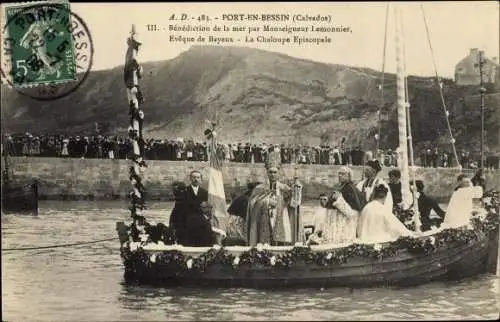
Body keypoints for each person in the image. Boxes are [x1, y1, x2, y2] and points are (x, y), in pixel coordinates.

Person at [246, 150, 302, 246]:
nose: (273, 174)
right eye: (270, 172)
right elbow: (252, 206)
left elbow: (293, 204)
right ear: (267, 172)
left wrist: (297, 190)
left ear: (279, 172)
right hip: (263, 225)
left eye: (275, 172)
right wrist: (266, 202)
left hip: (280, 225)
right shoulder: (259, 189)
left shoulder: (285, 188)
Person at [322, 166, 366, 243]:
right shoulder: (339, 186)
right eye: (339, 173)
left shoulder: (351, 188)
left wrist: (339, 199)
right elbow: (332, 204)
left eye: (343, 174)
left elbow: (352, 213)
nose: (340, 175)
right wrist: (326, 202)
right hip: (334, 224)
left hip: (344, 226)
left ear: (349, 176)